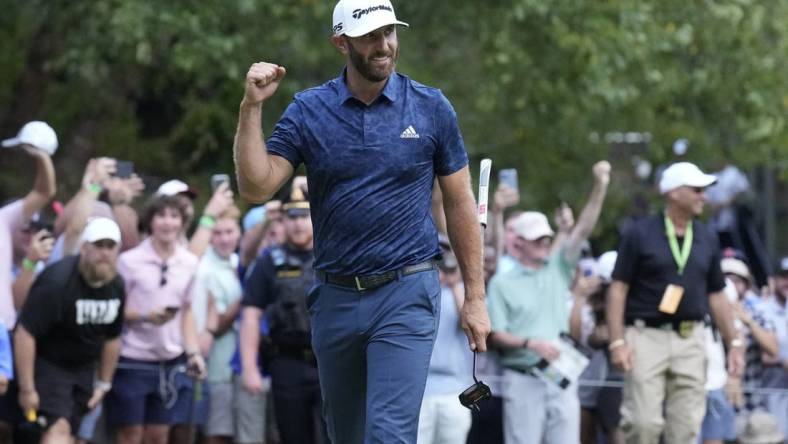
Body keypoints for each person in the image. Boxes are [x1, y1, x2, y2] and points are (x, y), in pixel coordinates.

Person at [232, 0, 490, 442]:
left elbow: (460, 202)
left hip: (407, 290)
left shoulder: (431, 107)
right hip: (334, 296)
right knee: (347, 434)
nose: (384, 45)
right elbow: (257, 187)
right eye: (370, 36)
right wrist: (251, 108)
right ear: (341, 43)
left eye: (389, 32)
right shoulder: (309, 110)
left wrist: (475, 296)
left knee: (388, 434)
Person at [606, 161, 745, 444]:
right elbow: (618, 289)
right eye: (697, 190)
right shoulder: (639, 233)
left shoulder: (706, 236)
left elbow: (717, 294)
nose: (704, 197)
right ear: (673, 193)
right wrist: (617, 341)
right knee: (643, 425)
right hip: (645, 337)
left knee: (685, 428)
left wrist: (735, 343)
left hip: (692, 339)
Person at [487, 161, 611, 444]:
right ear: (519, 243)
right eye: (537, 240)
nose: (544, 243)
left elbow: (583, 228)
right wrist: (531, 343)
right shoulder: (502, 282)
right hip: (522, 374)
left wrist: (600, 186)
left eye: (546, 238)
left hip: (561, 372)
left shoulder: (557, 268)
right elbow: (495, 334)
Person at [104, 194, 206, 444]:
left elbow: (187, 312)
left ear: (182, 223)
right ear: (150, 221)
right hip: (132, 360)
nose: (167, 223)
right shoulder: (128, 262)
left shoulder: (190, 263)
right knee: (131, 435)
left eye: (174, 216)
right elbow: (114, 311)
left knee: (159, 436)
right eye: (161, 216)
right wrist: (144, 316)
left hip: (170, 362)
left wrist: (193, 353)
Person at [14, 217, 125, 443]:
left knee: (71, 435)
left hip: (84, 369)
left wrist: (104, 383)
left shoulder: (116, 285)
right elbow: (25, 332)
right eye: (98, 245)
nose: (104, 253)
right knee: (58, 433)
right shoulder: (57, 282)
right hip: (49, 365)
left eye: (110, 246)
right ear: (84, 247)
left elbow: (112, 338)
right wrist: (27, 389)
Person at [240, 185, 326, 444]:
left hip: (330, 363)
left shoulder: (332, 255)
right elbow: (251, 314)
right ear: (283, 220)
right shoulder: (269, 261)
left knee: (338, 435)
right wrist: (249, 368)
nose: (299, 224)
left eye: (304, 216)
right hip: (287, 363)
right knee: (292, 436)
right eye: (292, 217)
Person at [0, 120, 57, 442]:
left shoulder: (4, 220)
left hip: (3, 330)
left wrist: (39, 156)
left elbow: (44, 191)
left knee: (6, 424)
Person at [190, 204, 244, 444]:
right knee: (217, 431)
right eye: (218, 233)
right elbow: (217, 324)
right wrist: (248, 297)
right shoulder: (204, 268)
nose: (224, 239)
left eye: (229, 232)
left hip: (241, 362)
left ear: (239, 232)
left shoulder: (236, 261)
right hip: (215, 364)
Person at [417, 242, 473, 444]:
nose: (443, 262)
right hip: (418, 392)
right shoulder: (417, 294)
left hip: (454, 391)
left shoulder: (465, 295)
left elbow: (468, 324)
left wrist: (456, 281)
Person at [760, 256, 788, 437]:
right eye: (784, 277)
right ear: (774, 280)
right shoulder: (762, 309)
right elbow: (765, 355)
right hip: (772, 389)